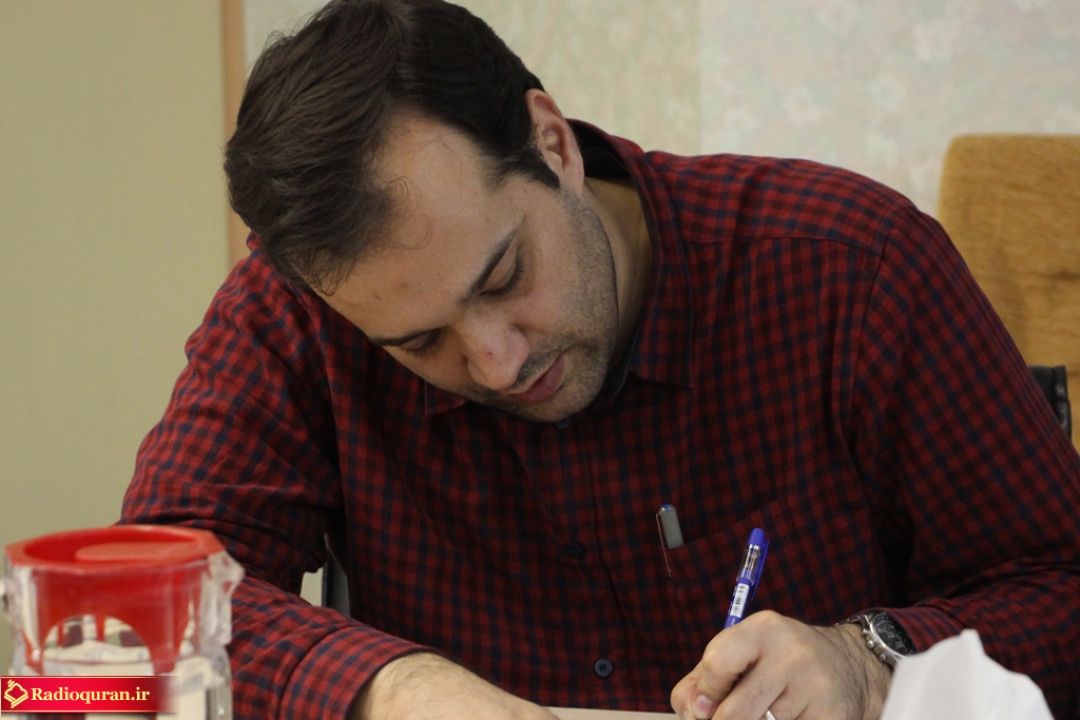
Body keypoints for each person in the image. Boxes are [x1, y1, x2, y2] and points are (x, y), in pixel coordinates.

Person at [120, 0, 1080, 718]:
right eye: (418, 343)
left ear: (551, 144)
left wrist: (868, 662)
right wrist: (392, 689)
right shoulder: (300, 311)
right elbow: (134, 623)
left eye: (506, 276)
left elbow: (1060, 587)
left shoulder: (853, 270)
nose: (497, 363)